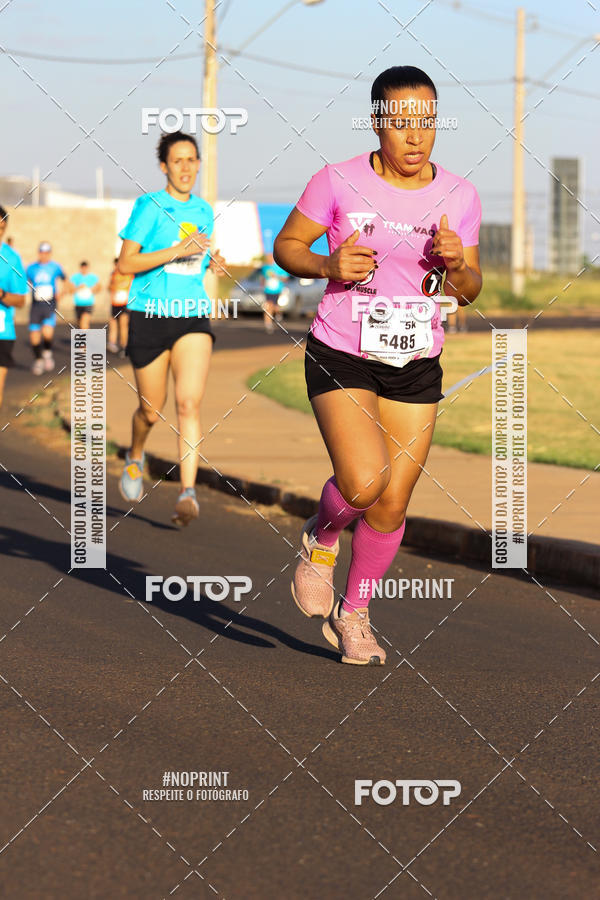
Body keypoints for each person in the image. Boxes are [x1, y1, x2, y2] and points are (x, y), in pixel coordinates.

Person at [274, 66, 482, 665]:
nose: (417, 137)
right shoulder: (336, 180)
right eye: (402, 124)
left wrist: (455, 266)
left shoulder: (460, 196)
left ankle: (355, 613)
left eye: (428, 122)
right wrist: (327, 266)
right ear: (377, 124)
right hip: (342, 349)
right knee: (364, 483)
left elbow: (469, 288)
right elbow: (287, 247)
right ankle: (321, 537)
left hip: (416, 360)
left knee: (392, 503)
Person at [117, 130, 226, 526]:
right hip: (148, 314)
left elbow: (199, 257)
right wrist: (178, 250)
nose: (185, 168)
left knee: (189, 403)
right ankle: (135, 454)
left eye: (191, 160)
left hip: (191, 315)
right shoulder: (149, 207)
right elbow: (126, 264)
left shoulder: (203, 210)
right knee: (150, 410)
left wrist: (211, 261)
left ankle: (187, 492)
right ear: (164, 166)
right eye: (177, 160)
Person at [0, 207, 27, 409]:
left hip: (2, 331)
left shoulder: (12, 258)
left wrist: (1, 294)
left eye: (2, 227)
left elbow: (20, 300)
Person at [26, 242, 66, 375]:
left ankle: (47, 353)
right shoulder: (31, 268)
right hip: (36, 304)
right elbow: (25, 282)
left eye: (46, 252)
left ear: (50, 253)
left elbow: (65, 279)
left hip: (50, 304)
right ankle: (38, 360)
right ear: (39, 253)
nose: (44, 255)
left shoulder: (55, 267)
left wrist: (62, 292)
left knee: (47, 333)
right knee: (34, 335)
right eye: (42, 252)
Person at [107, 257, 133, 355]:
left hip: (124, 303)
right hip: (114, 303)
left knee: (123, 325)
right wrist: (113, 286)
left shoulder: (129, 274)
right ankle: (112, 343)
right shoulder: (113, 274)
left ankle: (124, 346)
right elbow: (109, 286)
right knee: (113, 323)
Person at [260, 252, 288, 333]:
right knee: (269, 306)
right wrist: (262, 283)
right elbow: (263, 277)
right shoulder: (265, 268)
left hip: (277, 290)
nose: (269, 259)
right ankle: (268, 325)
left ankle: (279, 313)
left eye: (270, 258)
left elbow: (285, 279)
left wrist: (276, 276)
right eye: (267, 258)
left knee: (275, 307)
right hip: (268, 290)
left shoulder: (279, 267)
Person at [69, 261, 101, 330]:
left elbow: (99, 288)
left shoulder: (92, 277)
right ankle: (82, 339)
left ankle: (86, 340)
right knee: (79, 324)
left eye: (85, 268)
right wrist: (78, 288)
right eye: (82, 268)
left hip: (88, 304)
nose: (84, 270)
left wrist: (91, 289)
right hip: (78, 304)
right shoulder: (75, 277)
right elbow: (71, 290)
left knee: (84, 323)